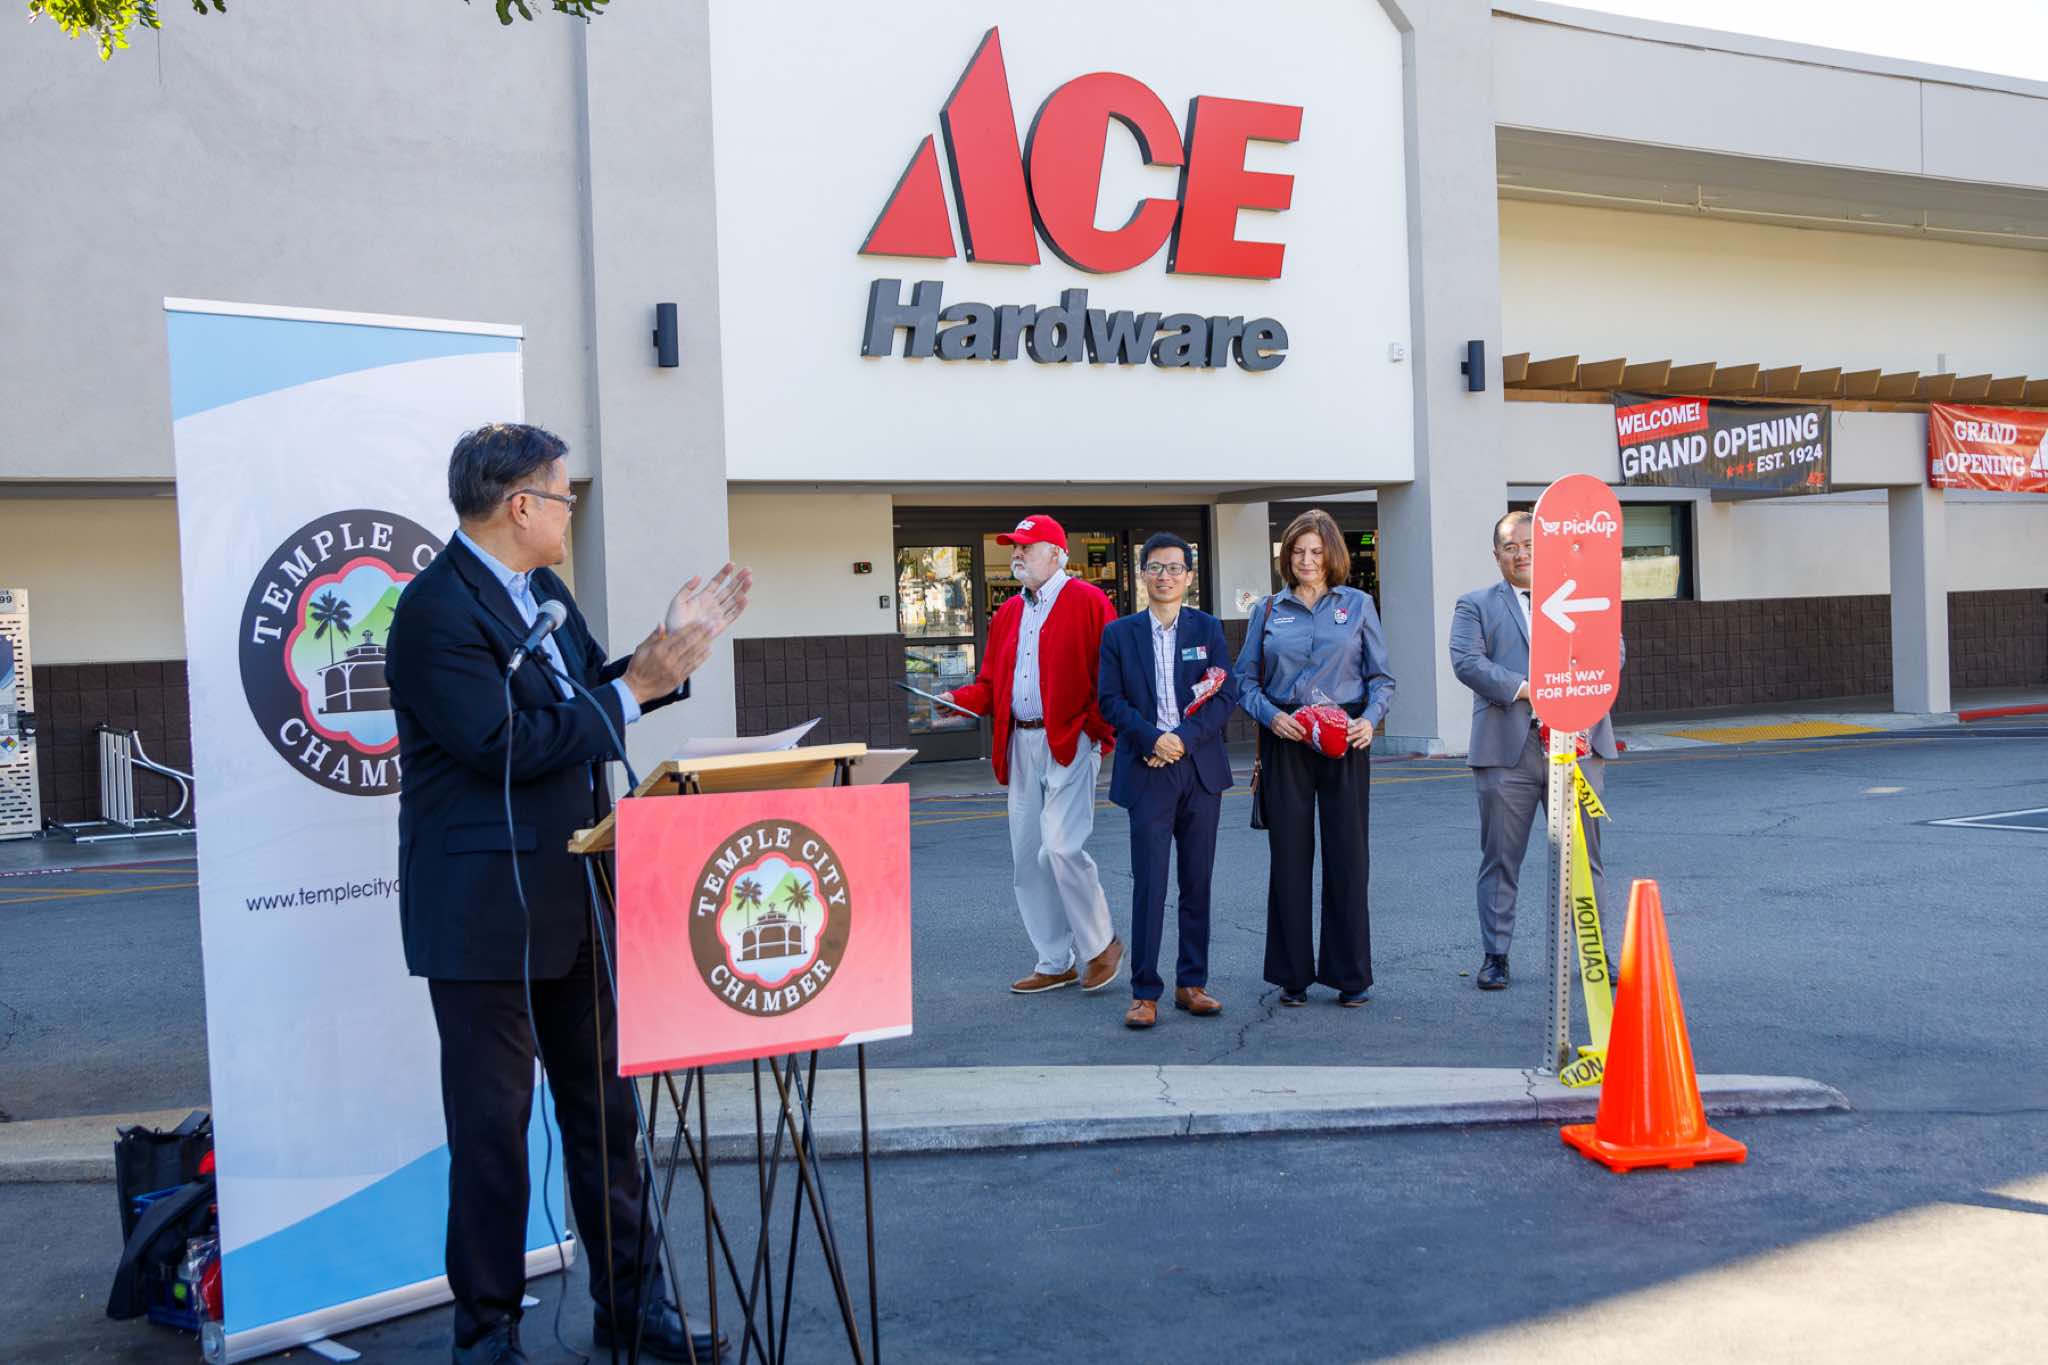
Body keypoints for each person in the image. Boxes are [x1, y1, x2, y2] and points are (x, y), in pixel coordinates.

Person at [386, 423, 747, 1364]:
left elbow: (584, 691)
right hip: (480, 915)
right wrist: (632, 691)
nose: (568, 509)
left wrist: (662, 655)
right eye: (560, 494)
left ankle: (632, 1309)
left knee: (607, 1119)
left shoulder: (545, 591)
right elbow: (501, 743)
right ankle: (487, 1333)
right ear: (519, 506)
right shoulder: (433, 612)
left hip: (577, 891)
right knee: (493, 1133)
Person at [938, 514, 1123, 996]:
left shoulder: (1088, 600)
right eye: (1014, 547)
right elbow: (991, 684)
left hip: (1069, 739)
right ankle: (1054, 961)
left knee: (1060, 847)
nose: (1017, 554)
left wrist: (1094, 731)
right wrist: (959, 701)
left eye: (1027, 546)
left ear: (1057, 555)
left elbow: (1112, 673)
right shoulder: (1008, 613)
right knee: (1027, 858)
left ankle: (1100, 944)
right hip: (1019, 742)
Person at [1448, 509, 1622, 991]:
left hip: (1578, 744)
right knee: (1501, 858)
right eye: (1510, 547)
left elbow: (1613, 652)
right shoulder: (1475, 604)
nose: (1521, 553)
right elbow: (1467, 662)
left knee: (1584, 858)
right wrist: (1532, 690)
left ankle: (1593, 954)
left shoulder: (1584, 596)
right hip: (1508, 749)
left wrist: (1572, 691)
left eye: (1529, 544)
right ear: (1497, 555)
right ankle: (1496, 956)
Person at [1234, 508, 1395, 1008]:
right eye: (1298, 551)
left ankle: (1351, 975)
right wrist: (1270, 717)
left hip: (1344, 736)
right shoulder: (1268, 610)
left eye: (1316, 551)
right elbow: (1244, 681)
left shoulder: (1359, 605)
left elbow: (1381, 679)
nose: (1306, 560)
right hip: (1287, 736)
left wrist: (1370, 720)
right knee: (1289, 856)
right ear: (1286, 557)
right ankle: (1293, 975)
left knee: (1348, 855)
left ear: (1332, 555)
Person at [1096, 532, 1238, 1029]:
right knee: (1150, 885)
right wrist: (1154, 740)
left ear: (1189, 576)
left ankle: (1191, 983)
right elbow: (1110, 701)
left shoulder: (1208, 628)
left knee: (1197, 882)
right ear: (1142, 574)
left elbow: (1225, 696)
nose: (1165, 576)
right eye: (1155, 567)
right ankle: (1144, 992)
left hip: (1198, 770)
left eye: (1175, 568)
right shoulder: (1119, 634)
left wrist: (1180, 740)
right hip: (1147, 771)